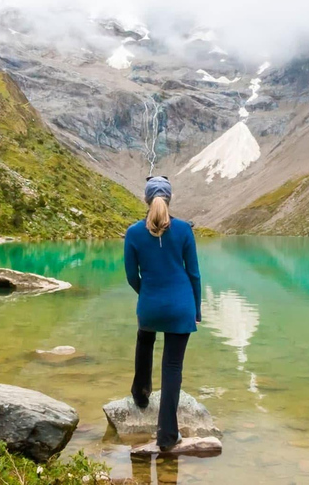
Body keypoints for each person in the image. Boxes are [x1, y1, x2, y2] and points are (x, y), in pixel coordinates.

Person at [124, 176, 202, 451]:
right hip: (181, 306)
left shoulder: (133, 233)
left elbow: (132, 276)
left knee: (145, 340)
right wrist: (197, 309)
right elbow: (193, 273)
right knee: (172, 367)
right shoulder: (183, 230)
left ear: (146, 199)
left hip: (150, 305)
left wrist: (147, 294)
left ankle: (141, 394)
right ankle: (168, 436)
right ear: (169, 199)